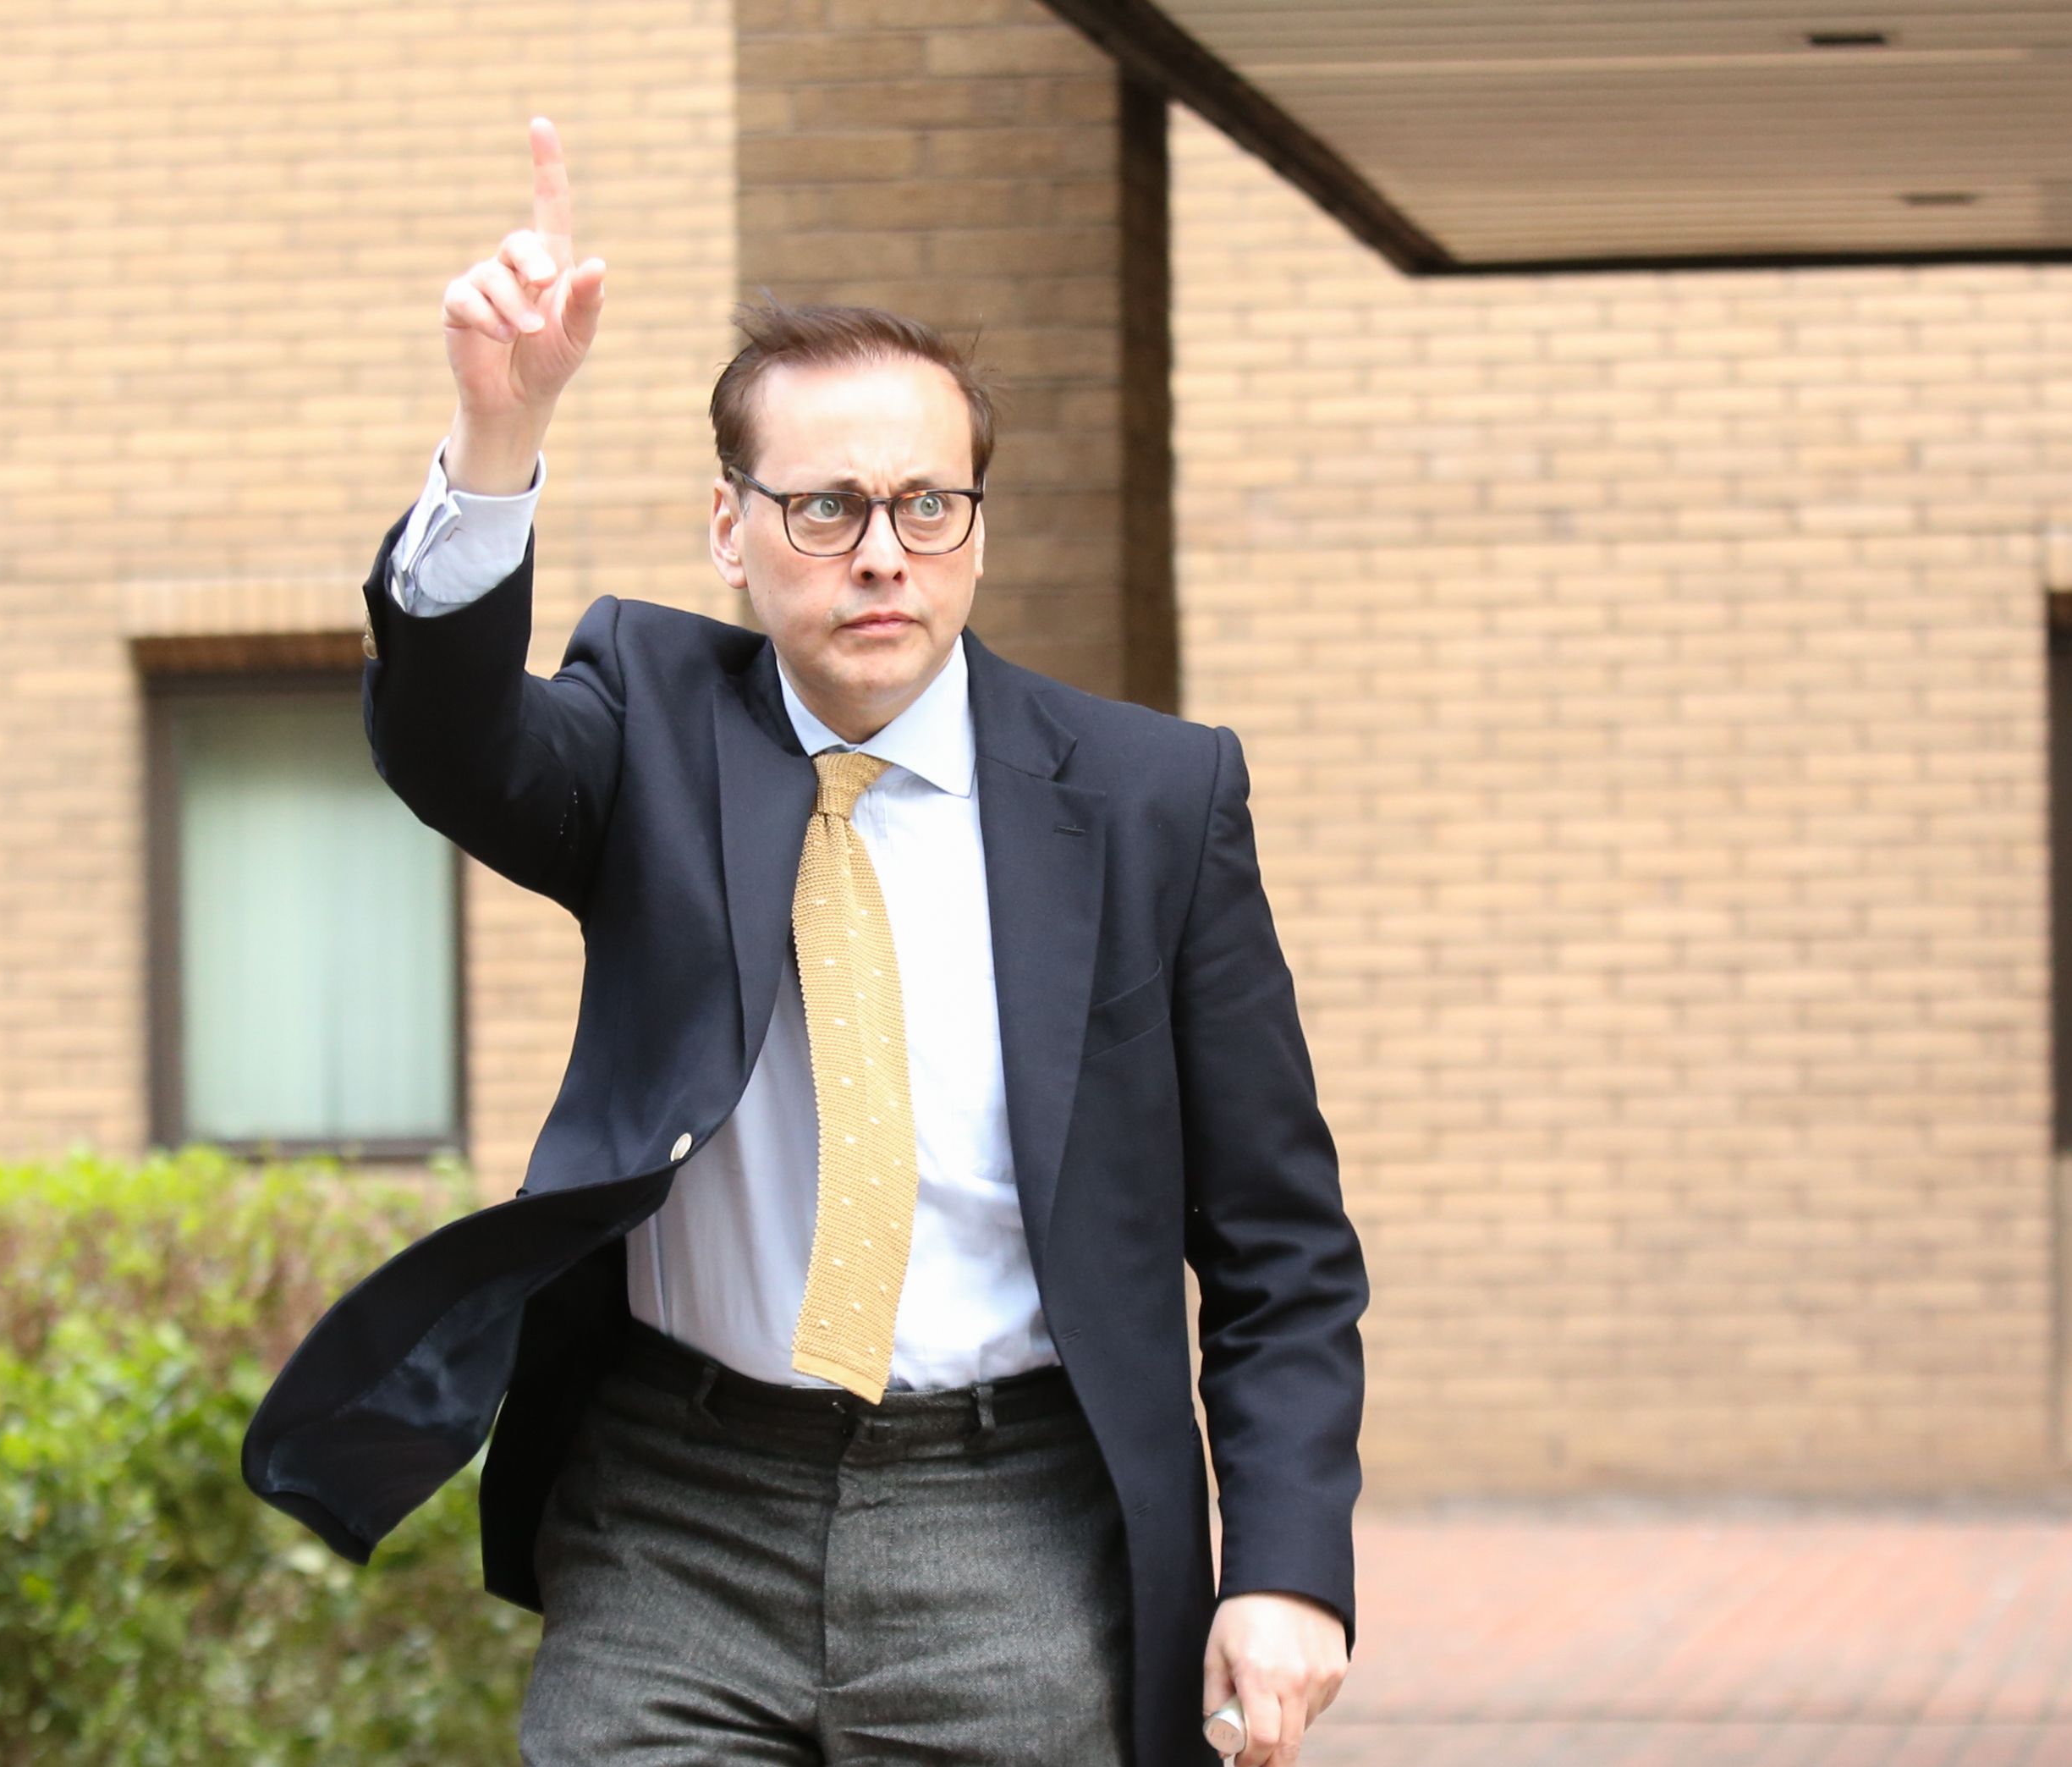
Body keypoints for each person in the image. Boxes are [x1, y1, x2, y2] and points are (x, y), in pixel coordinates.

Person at [241, 115, 1366, 1767]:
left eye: (926, 502)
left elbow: (1278, 1250)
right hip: (677, 1512)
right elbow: (452, 748)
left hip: (1014, 1524)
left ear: (975, 524)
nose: (881, 555)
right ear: (728, 528)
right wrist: (501, 431)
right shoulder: (649, 729)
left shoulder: (1146, 801)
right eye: (828, 506)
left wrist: (1284, 1573)